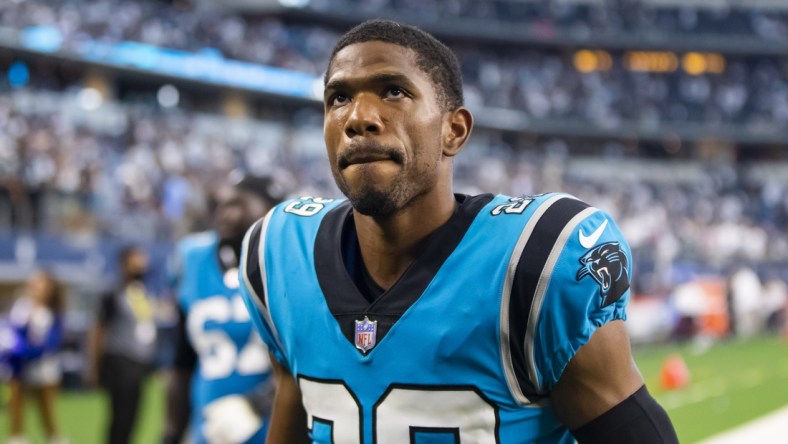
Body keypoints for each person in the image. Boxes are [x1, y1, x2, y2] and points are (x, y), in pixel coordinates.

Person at [239, 19, 678, 444]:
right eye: (338, 98)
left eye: (393, 92)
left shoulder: (532, 262)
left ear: (455, 130)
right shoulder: (278, 251)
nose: (359, 117)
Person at [162, 175, 281, 444]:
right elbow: (182, 363)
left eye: (237, 204)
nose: (225, 214)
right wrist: (171, 433)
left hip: (272, 429)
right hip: (209, 428)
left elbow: (313, 363)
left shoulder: (290, 266)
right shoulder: (194, 260)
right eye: (221, 205)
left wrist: (256, 403)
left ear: (272, 210)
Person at [86, 246, 157, 444]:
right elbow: (98, 330)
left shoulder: (142, 293)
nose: (142, 265)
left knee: (134, 416)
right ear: (124, 264)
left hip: (139, 362)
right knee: (121, 417)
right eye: (136, 260)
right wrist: (93, 366)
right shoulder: (113, 293)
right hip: (120, 361)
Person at [1, 270, 67, 444]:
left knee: (47, 412)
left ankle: (54, 438)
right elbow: (11, 332)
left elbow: (52, 341)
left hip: (44, 368)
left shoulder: (52, 311)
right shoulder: (20, 307)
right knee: (16, 408)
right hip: (20, 367)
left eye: (40, 283)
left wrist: (33, 351)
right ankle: (17, 438)